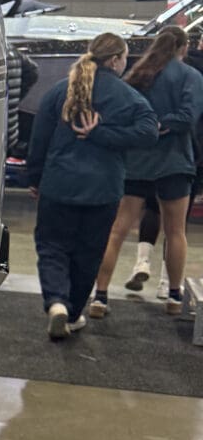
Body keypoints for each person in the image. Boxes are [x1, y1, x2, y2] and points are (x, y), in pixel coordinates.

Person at [26, 32, 158, 341]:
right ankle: (73, 315)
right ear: (115, 60)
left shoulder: (60, 91)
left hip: (59, 184)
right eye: (125, 58)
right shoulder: (129, 97)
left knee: (52, 247)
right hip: (103, 190)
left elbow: (39, 140)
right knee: (88, 253)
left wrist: (35, 178)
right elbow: (149, 133)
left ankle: (56, 302)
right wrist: (105, 135)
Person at [89, 25, 203, 317]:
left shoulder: (137, 74)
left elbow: (122, 114)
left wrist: (146, 127)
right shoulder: (191, 76)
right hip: (174, 161)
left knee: (117, 230)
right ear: (184, 47)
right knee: (176, 231)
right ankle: (174, 296)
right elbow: (189, 117)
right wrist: (163, 125)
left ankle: (100, 296)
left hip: (135, 161)